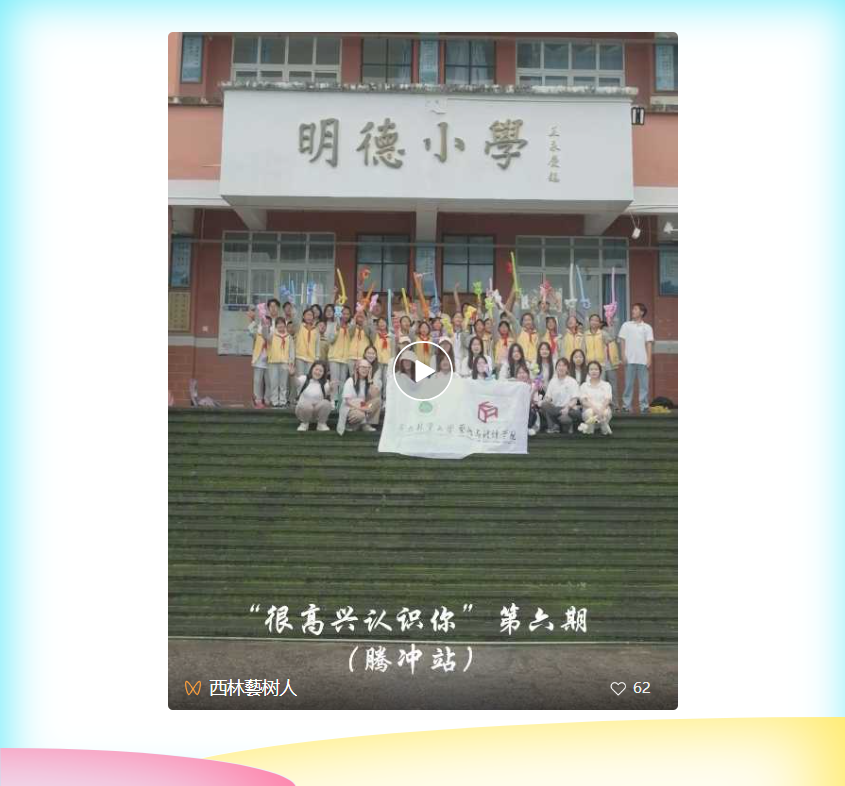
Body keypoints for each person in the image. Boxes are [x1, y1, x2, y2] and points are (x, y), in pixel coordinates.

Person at [618, 303, 654, 414]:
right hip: (629, 360)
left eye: (635, 309)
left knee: (644, 385)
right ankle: (626, 406)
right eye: (633, 309)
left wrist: (649, 358)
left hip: (643, 360)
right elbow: (622, 341)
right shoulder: (626, 325)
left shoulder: (647, 327)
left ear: (641, 312)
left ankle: (644, 406)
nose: (632, 311)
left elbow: (649, 343)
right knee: (628, 384)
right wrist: (623, 355)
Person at [338, 359, 382, 434]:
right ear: (357, 368)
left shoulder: (367, 382)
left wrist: (370, 381)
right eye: (363, 367)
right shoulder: (350, 380)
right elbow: (348, 401)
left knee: (377, 401)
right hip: (350, 408)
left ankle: (366, 424)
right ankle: (352, 425)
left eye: (368, 368)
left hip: (362, 406)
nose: (365, 370)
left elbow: (374, 395)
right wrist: (363, 409)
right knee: (360, 414)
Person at [541, 358, 582, 434]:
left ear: (567, 368)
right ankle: (554, 426)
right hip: (556, 409)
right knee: (544, 405)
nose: (561, 367)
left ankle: (559, 425)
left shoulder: (572, 381)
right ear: (556, 368)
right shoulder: (553, 381)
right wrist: (543, 401)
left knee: (565, 420)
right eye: (559, 365)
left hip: (569, 409)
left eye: (564, 365)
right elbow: (548, 397)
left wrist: (567, 408)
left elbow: (574, 400)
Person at [294, 361, 333, 432]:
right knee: (306, 405)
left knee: (326, 403)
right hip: (303, 410)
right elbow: (296, 383)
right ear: (312, 369)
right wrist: (292, 375)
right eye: (316, 369)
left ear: (323, 373)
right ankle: (304, 424)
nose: (318, 372)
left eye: (320, 371)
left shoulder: (325, 383)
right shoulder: (304, 378)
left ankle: (321, 424)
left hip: (316, 412)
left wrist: (331, 388)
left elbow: (329, 392)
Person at [579, 360, 614, 435]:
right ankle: (590, 431)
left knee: (605, 412)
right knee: (589, 412)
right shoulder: (584, 386)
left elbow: (607, 400)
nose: (594, 371)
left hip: (603, 410)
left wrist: (601, 410)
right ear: (588, 372)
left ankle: (604, 429)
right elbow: (584, 401)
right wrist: (595, 409)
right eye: (591, 369)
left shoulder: (606, 385)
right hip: (589, 411)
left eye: (596, 369)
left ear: (600, 371)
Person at [266, 317, 295, 408]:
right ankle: (274, 401)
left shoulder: (289, 337)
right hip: (273, 362)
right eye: (278, 323)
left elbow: (291, 350)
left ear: (285, 325)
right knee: (274, 383)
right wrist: (265, 325)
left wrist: (291, 360)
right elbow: (265, 336)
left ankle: (283, 401)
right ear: (276, 326)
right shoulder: (272, 335)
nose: (280, 325)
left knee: (283, 383)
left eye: (282, 323)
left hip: (284, 362)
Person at [247, 304, 270, 409]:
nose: (263, 318)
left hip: (270, 359)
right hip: (259, 359)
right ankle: (258, 400)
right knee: (257, 381)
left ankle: (268, 400)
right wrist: (251, 320)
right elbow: (251, 331)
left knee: (269, 381)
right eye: (261, 315)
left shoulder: (272, 330)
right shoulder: (256, 329)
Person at [513, 363, 541, 436]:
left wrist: (534, 391)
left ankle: (528, 427)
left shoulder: (533, 385)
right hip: (517, 411)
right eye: (519, 373)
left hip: (530, 411)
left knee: (531, 409)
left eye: (524, 372)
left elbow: (532, 403)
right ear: (516, 375)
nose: (522, 375)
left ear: (528, 374)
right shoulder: (514, 386)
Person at [294, 305, 320, 376]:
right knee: (300, 378)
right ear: (303, 316)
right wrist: (294, 308)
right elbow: (295, 319)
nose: (309, 317)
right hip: (300, 356)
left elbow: (317, 344)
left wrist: (317, 357)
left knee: (308, 377)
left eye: (311, 315)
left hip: (311, 358)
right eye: (307, 315)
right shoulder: (299, 326)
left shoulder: (316, 329)